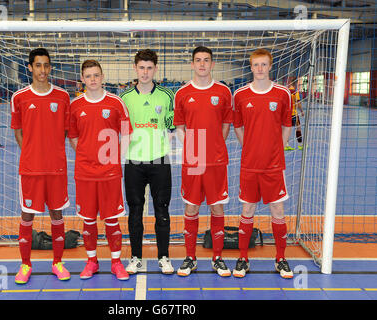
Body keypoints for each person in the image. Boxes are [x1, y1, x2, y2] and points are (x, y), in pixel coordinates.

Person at [10, 48, 71, 284]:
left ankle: (58, 263)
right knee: (27, 215)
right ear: (30, 67)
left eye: (46, 65)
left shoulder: (63, 97)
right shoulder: (20, 97)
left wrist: (51, 151)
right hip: (30, 169)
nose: (43, 70)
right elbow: (18, 132)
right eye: (38, 65)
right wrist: (33, 154)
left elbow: (66, 132)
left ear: (50, 67)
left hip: (56, 168)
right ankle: (25, 265)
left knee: (57, 214)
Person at [68, 59, 133, 281]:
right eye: (88, 76)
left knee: (112, 219)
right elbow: (74, 137)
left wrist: (115, 157)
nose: (93, 79)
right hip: (85, 173)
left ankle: (116, 263)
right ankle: (92, 262)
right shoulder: (75, 105)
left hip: (110, 173)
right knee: (88, 220)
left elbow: (126, 133)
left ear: (102, 77)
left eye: (96, 75)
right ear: (83, 79)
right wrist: (87, 154)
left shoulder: (116, 103)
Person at [232, 48, 294, 279]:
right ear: (251, 67)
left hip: (273, 166)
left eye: (263, 64)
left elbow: (287, 124)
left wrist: (278, 147)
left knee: (277, 210)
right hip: (249, 165)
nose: (260, 69)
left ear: (270, 66)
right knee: (247, 210)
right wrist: (247, 146)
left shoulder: (282, 94)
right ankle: (242, 258)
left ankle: (281, 259)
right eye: (256, 65)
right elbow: (237, 126)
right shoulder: (240, 95)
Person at [173, 46, 233, 277]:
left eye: (206, 60)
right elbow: (179, 126)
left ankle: (217, 258)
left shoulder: (223, 92)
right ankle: (190, 258)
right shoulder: (182, 93)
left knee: (217, 207)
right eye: (198, 60)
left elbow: (226, 125)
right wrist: (192, 147)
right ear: (192, 64)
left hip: (216, 161)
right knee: (192, 207)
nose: (201, 64)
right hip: (192, 161)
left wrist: (214, 145)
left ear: (212, 64)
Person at [120, 49, 175, 275]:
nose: (145, 72)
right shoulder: (124, 98)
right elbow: (121, 132)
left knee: (162, 210)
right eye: (141, 67)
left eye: (149, 68)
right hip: (133, 162)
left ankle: (164, 257)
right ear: (135, 68)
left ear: (155, 68)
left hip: (160, 161)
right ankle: (136, 258)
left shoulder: (166, 95)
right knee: (135, 211)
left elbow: (171, 129)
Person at [285, 84, 304, 151]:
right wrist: (301, 111)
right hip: (294, 113)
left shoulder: (286, 92)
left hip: (286, 114)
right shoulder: (295, 92)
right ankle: (300, 145)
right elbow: (298, 103)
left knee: (287, 129)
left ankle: (286, 145)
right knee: (298, 128)